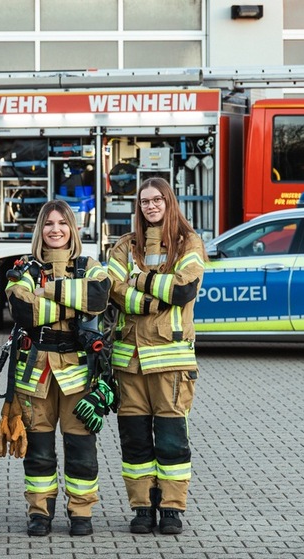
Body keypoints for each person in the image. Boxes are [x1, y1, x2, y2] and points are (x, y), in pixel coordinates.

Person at [4, 199, 111, 536]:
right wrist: (73, 307)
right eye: (48, 224)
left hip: (78, 372)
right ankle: (40, 513)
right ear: (40, 229)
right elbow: (23, 311)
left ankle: (81, 513)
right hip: (35, 371)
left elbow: (99, 297)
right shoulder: (23, 267)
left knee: (81, 446)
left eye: (62, 223)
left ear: (72, 229)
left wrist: (48, 292)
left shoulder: (89, 265)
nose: (55, 229)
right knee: (38, 449)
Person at [106, 177, 206, 535]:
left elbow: (183, 289)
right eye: (144, 201)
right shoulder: (124, 246)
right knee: (135, 440)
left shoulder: (188, 243)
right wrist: (151, 297)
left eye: (157, 200)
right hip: (129, 362)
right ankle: (142, 508)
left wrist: (139, 280)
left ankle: (172, 509)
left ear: (169, 202)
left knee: (171, 439)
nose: (150, 206)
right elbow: (112, 292)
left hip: (172, 362)